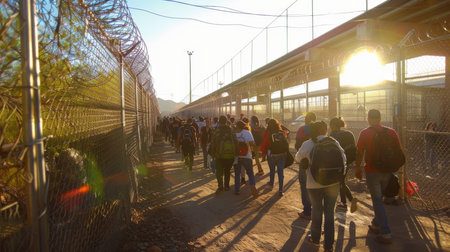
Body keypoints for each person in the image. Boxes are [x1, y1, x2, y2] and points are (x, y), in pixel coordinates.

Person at [295, 121, 345, 252]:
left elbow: (297, 158)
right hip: (333, 182)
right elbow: (343, 159)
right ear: (324, 130)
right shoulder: (333, 141)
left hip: (313, 183)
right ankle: (328, 245)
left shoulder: (308, 143)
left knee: (317, 211)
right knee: (329, 213)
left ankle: (315, 239)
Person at [355, 109, 401, 244]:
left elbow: (359, 152)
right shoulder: (391, 132)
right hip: (388, 170)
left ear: (368, 119)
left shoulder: (364, 133)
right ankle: (375, 224)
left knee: (377, 200)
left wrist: (358, 167)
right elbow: (399, 150)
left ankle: (385, 232)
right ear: (380, 118)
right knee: (379, 198)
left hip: (372, 170)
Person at [329, 117, 358, 212]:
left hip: (337, 163)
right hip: (348, 161)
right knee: (341, 181)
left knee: (340, 182)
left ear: (333, 126)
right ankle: (345, 201)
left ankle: (347, 201)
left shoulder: (332, 135)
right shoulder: (349, 134)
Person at [209, 115, 238, 194]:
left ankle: (220, 186)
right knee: (227, 171)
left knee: (219, 171)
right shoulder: (231, 130)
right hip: (230, 155)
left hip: (219, 155)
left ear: (219, 122)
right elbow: (236, 141)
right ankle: (227, 186)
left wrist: (213, 153)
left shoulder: (217, 130)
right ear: (226, 121)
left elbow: (213, 142)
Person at [295, 112, 316, 220]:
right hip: (318, 163)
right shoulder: (319, 131)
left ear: (306, 120)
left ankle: (307, 211)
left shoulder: (301, 129)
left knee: (304, 185)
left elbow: (297, 144)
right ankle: (316, 210)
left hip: (304, 162)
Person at [261, 119, 289, 196]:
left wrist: (263, 155)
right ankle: (280, 190)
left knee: (272, 170)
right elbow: (286, 142)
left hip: (271, 154)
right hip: (282, 154)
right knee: (280, 172)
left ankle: (271, 184)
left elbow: (264, 144)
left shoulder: (267, 133)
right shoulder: (281, 132)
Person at [234, 121, 259, 197]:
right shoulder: (247, 133)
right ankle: (252, 186)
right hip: (247, 155)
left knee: (237, 174)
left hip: (237, 156)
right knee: (250, 172)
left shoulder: (234, 134)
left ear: (237, 126)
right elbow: (253, 143)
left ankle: (237, 190)